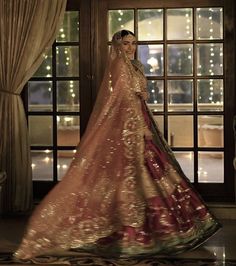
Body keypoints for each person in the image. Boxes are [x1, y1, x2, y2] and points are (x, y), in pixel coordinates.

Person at [14, 30, 221, 260]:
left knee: (150, 173)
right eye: (125, 44)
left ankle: (155, 229)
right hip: (129, 125)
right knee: (134, 175)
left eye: (133, 43)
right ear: (117, 45)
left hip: (140, 119)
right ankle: (133, 232)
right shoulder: (119, 66)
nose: (130, 47)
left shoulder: (135, 65)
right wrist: (139, 127)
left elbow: (139, 96)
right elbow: (123, 99)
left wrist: (143, 107)